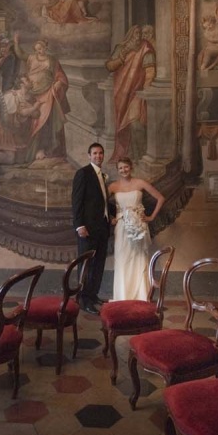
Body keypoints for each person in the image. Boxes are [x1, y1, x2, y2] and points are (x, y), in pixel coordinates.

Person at [108, 157, 164, 301]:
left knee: (138, 258)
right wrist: (110, 217)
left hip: (139, 227)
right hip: (121, 227)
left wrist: (151, 217)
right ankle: (122, 296)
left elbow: (160, 198)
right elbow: (99, 204)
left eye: (126, 167)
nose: (123, 170)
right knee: (122, 259)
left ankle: (140, 296)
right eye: (120, 168)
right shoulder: (113, 187)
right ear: (118, 170)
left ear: (131, 167)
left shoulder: (140, 183)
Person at [71, 142, 113, 314]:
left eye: (101, 153)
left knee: (99, 263)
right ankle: (83, 299)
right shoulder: (83, 173)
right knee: (86, 265)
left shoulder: (102, 176)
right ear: (89, 155)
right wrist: (79, 225)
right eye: (95, 153)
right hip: (87, 229)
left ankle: (93, 294)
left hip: (102, 227)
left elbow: (103, 201)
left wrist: (111, 216)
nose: (98, 156)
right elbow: (77, 201)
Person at [106, 25, 156, 162]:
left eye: (140, 34)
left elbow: (150, 72)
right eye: (135, 34)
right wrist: (121, 57)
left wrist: (145, 91)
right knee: (125, 124)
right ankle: (129, 154)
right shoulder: (121, 48)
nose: (138, 37)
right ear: (129, 36)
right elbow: (109, 66)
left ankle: (139, 156)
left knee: (136, 123)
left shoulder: (146, 48)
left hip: (138, 93)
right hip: (121, 93)